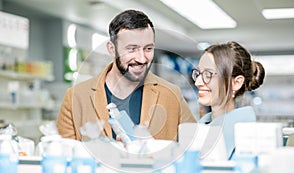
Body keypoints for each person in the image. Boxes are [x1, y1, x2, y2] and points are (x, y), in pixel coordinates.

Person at [56, 9, 196, 142]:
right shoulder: (76, 97)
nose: (141, 58)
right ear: (112, 49)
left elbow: (195, 146)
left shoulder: (172, 94)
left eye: (148, 48)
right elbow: (63, 155)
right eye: (131, 49)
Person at [191, 41, 265, 160]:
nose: (197, 82)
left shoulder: (247, 139)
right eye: (199, 74)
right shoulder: (202, 128)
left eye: (208, 74)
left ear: (236, 83)